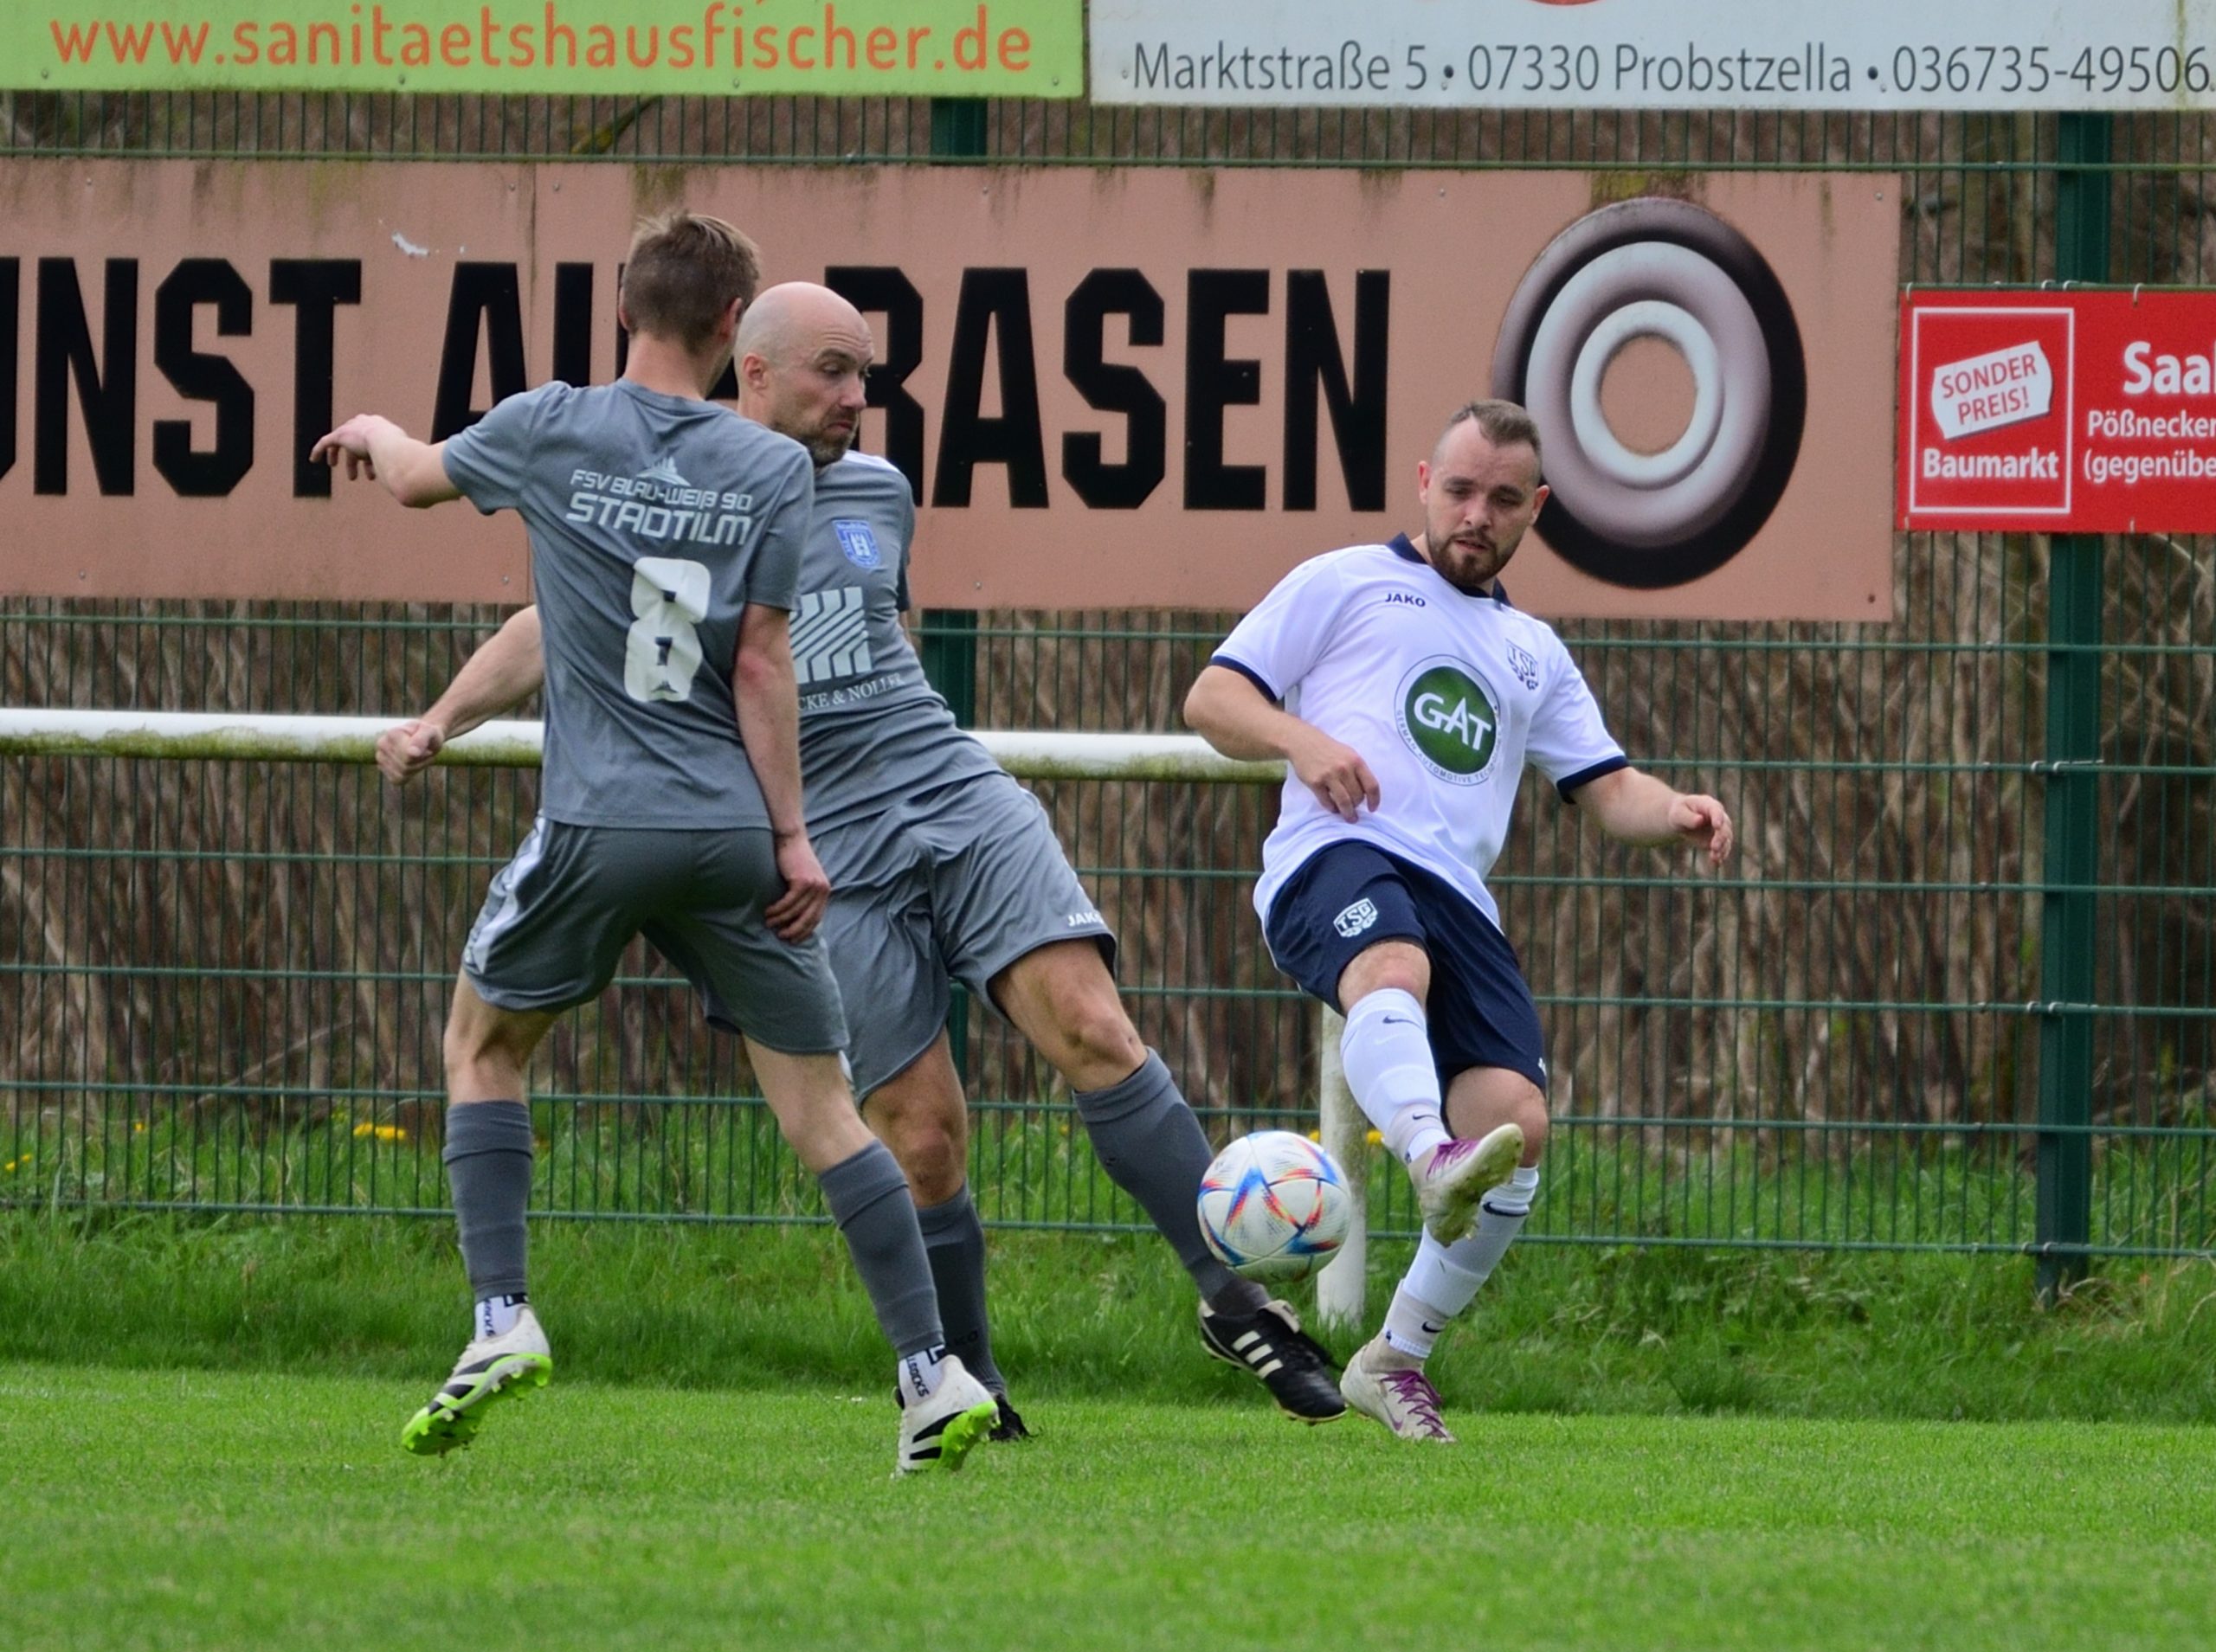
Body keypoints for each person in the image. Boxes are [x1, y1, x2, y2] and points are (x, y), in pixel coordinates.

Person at [377, 281, 1348, 1429]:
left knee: (1092, 1024)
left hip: (947, 791)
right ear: (750, 368)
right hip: (822, 849)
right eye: (833, 371)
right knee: (923, 1137)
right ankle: (969, 1387)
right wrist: (441, 719)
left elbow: (871, 626)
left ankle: (1232, 1296)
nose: (857, 397)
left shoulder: (881, 489)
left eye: (866, 374)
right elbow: (552, 626)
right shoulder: (685, 486)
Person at [313, 216, 1002, 1475]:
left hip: (599, 825)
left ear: (624, 309)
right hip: (732, 837)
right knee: (824, 1109)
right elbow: (760, 661)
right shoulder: (771, 466)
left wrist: (371, 428)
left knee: (481, 1044)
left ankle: (500, 1316)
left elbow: (412, 479)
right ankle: (929, 1374)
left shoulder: (552, 425)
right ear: (734, 328)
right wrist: (794, 839)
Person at [1183, 399, 1735, 1442]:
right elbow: (1212, 700)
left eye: (1503, 499)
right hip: (1334, 855)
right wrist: (1302, 741)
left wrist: (1673, 811)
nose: (1477, 514)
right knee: (1391, 962)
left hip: (1459, 898)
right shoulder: (1344, 581)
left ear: (1537, 509)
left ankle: (1393, 1358)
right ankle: (1427, 1156)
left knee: (1518, 1126)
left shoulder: (1531, 649)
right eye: (1461, 490)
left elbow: (1607, 787)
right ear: (1424, 482)